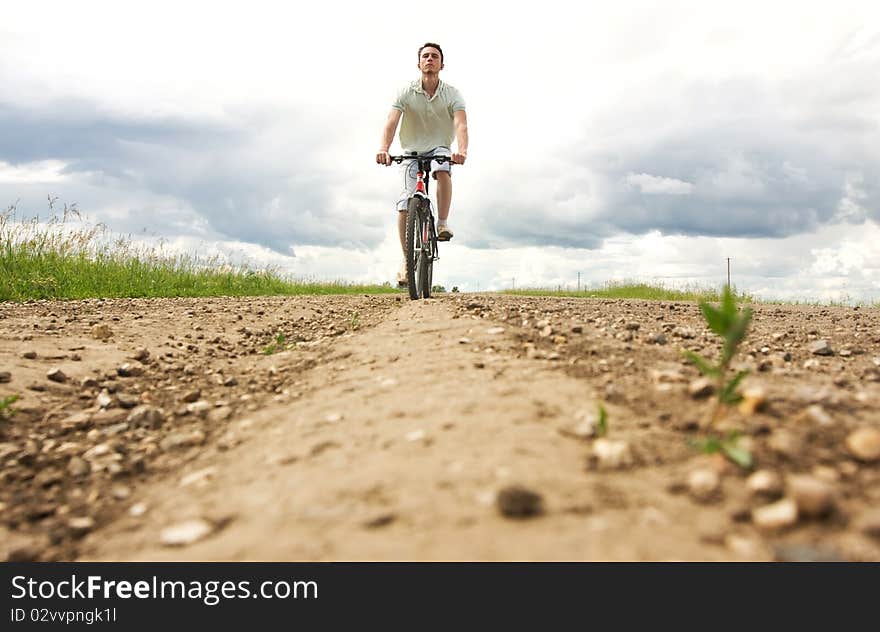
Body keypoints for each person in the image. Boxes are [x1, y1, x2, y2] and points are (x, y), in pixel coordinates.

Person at [376, 42, 469, 286]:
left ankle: (442, 223)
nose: (429, 59)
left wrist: (462, 150)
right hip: (412, 150)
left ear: (441, 64)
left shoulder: (453, 94)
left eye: (434, 56)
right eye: (425, 56)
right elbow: (391, 122)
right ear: (418, 63)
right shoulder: (405, 92)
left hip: (439, 146)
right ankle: (407, 262)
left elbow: (461, 124)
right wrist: (384, 149)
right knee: (406, 201)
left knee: (441, 170)